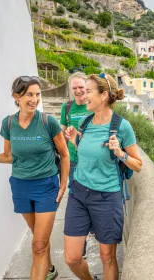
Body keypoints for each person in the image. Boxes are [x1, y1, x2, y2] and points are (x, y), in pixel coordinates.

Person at [0, 76, 70, 280]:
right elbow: (9, 156)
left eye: (37, 94)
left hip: (46, 187)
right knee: (38, 238)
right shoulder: (9, 123)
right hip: (20, 187)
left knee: (38, 245)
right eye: (29, 94)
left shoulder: (48, 122)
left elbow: (64, 154)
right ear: (16, 97)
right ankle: (49, 270)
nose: (35, 99)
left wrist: (63, 183)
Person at [64, 74, 143, 280]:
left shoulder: (122, 126)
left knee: (107, 256)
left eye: (89, 91)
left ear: (104, 95)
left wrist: (119, 153)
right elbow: (89, 154)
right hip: (79, 194)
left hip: (107, 197)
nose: (83, 95)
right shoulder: (85, 121)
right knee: (71, 257)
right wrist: (74, 140)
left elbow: (138, 164)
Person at [60, 72, 93, 259]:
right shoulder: (67, 107)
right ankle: (82, 243)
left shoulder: (93, 105)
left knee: (94, 197)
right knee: (77, 200)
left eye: (81, 87)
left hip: (92, 162)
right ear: (71, 90)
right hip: (74, 162)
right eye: (75, 88)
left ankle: (94, 227)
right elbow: (62, 132)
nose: (79, 91)